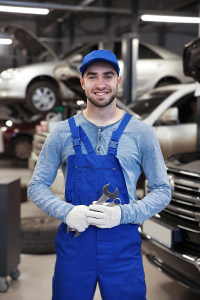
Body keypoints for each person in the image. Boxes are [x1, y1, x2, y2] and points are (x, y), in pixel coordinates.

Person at [27, 49, 171, 300]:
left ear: (118, 80)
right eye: (92, 76)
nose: (101, 84)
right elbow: (36, 186)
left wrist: (123, 214)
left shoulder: (141, 133)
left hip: (122, 249)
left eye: (108, 75)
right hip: (74, 246)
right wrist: (67, 212)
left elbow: (162, 189)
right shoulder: (61, 133)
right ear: (82, 82)